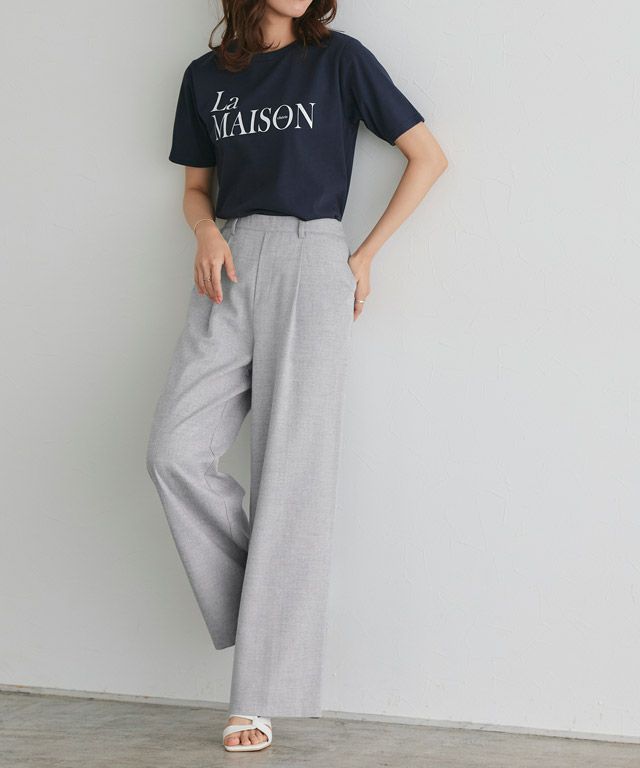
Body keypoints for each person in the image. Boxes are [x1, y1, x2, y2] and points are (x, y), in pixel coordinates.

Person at [146, 0, 447, 753]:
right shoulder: (205, 76)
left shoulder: (339, 60)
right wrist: (206, 231)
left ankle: (256, 696)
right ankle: (270, 616)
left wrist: (363, 255)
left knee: (291, 477)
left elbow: (428, 156)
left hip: (313, 258)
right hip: (227, 263)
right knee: (174, 453)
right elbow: (195, 188)